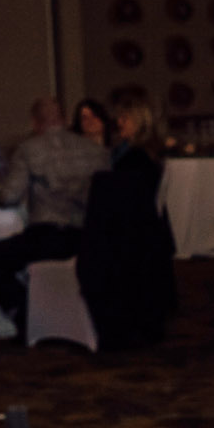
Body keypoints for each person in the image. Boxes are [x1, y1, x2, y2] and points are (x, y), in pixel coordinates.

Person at [0, 99, 109, 337]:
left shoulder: (29, 149)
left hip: (48, 236)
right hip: (88, 237)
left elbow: (9, 196)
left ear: (35, 122)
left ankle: (26, 315)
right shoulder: (98, 152)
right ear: (65, 119)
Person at [78, 96, 178, 350]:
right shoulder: (138, 154)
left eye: (125, 118)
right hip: (145, 235)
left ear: (139, 121)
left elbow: (120, 203)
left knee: (94, 252)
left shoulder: (136, 159)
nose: (119, 122)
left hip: (134, 238)